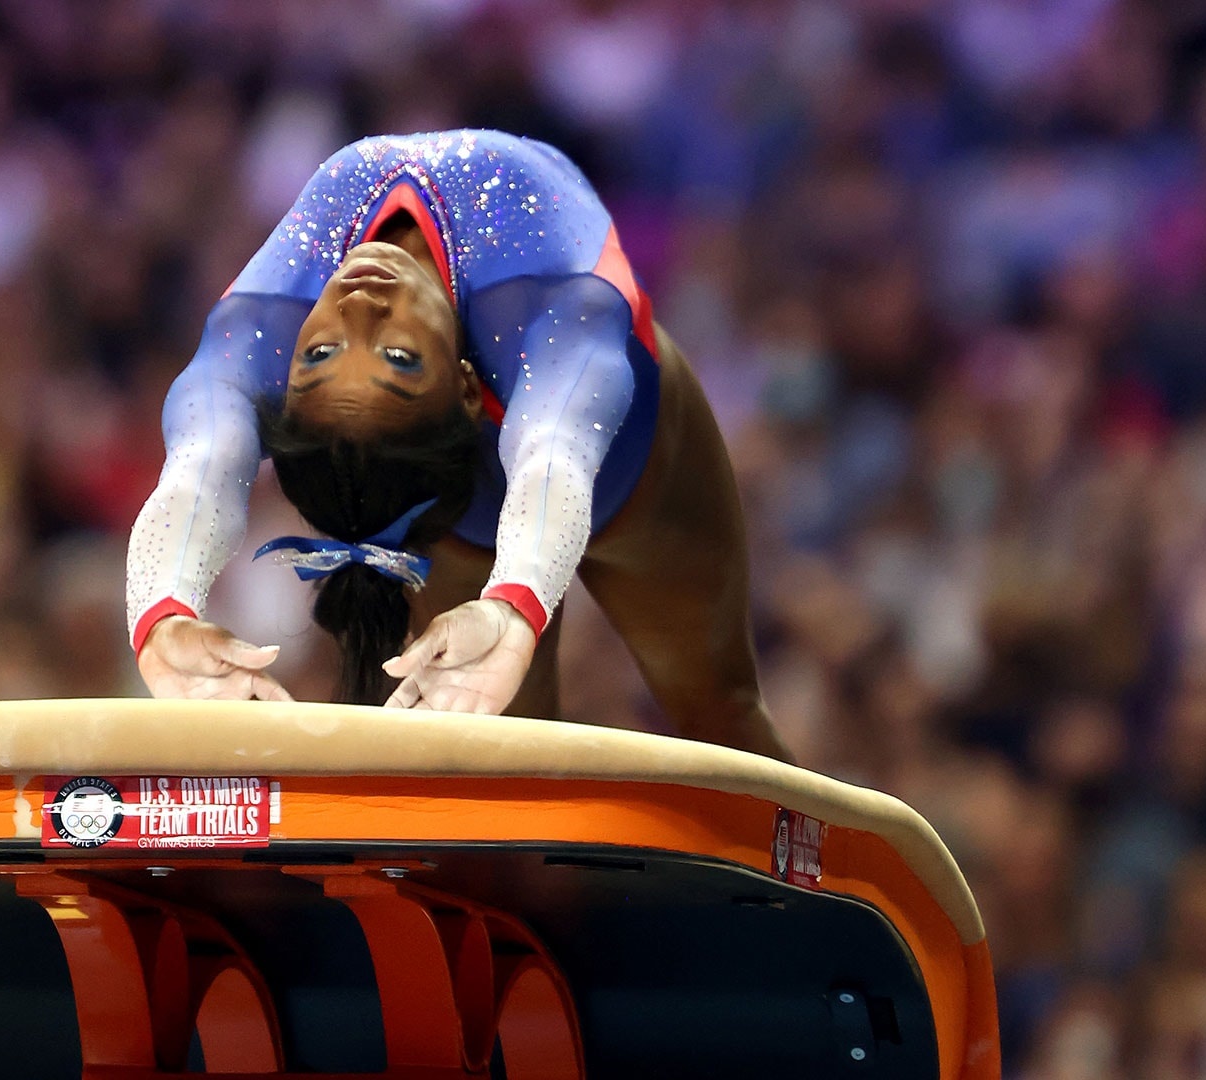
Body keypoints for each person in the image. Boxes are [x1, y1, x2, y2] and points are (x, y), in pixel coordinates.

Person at [126, 130, 789, 761]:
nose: (360, 306)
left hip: (637, 470)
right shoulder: (538, 299)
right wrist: (512, 607)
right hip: (493, 515)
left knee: (719, 716)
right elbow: (554, 453)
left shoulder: (266, 324)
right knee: (507, 767)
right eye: (398, 356)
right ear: (466, 388)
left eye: (322, 352)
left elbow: (199, 470)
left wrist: (161, 612)